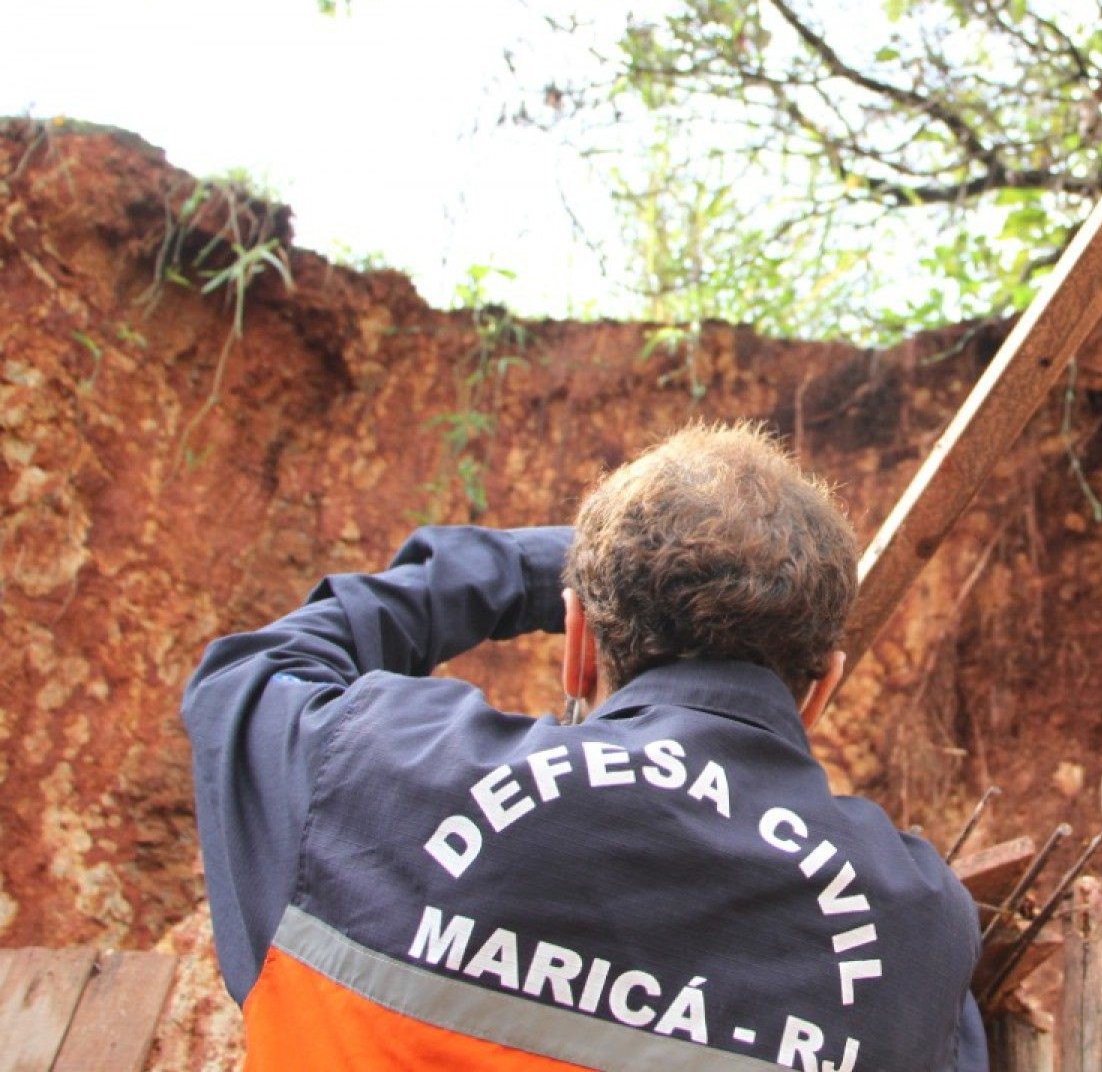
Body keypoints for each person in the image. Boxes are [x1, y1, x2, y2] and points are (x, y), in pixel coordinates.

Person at [184, 422, 987, 1071]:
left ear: (576, 643)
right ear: (822, 688)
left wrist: (548, 569)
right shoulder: (918, 930)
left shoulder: (368, 773)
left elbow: (251, 671)